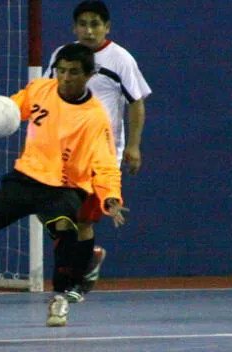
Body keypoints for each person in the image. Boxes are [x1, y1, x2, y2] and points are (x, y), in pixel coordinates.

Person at [0, 43, 128, 327]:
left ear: (89, 75)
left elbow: (104, 165)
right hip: (25, 179)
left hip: (63, 187)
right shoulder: (40, 89)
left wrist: (111, 199)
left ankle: (60, 299)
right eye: (62, 71)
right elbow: (11, 109)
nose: (65, 78)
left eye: (74, 73)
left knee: (66, 228)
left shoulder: (95, 118)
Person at [43, 0, 152, 302]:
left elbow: (136, 103)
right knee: (57, 219)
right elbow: (48, 96)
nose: (88, 30)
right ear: (74, 28)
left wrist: (132, 145)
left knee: (83, 220)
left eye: (95, 24)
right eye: (83, 24)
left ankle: (73, 283)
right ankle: (87, 259)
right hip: (63, 153)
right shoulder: (61, 57)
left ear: (107, 27)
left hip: (101, 155)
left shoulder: (120, 59)